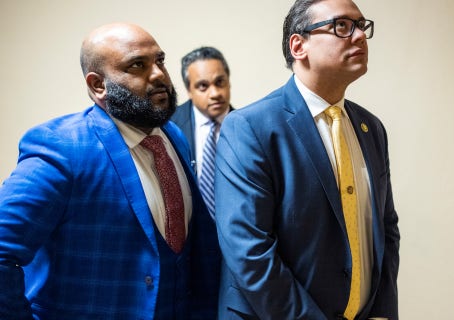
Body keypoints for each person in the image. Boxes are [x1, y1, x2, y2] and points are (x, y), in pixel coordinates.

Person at [0, 22, 221, 319]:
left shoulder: (172, 136)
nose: (158, 75)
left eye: (160, 61)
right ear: (98, 85)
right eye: (137, 65)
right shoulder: (61, 148)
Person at [214, 0, 400, 319]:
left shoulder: (372, 128)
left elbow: (386, 229)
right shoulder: (249, 127)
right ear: (298, 45)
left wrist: (382, 310)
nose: (359, 37)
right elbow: (249, 250)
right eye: (342, 26)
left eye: (362, 25)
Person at [171, 46, 233, 215]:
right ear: (189, 91)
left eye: (220, 82)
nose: (215, 93)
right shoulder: (167, 126)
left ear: (229, 81)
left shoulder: (249, 128)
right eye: (203, 86)